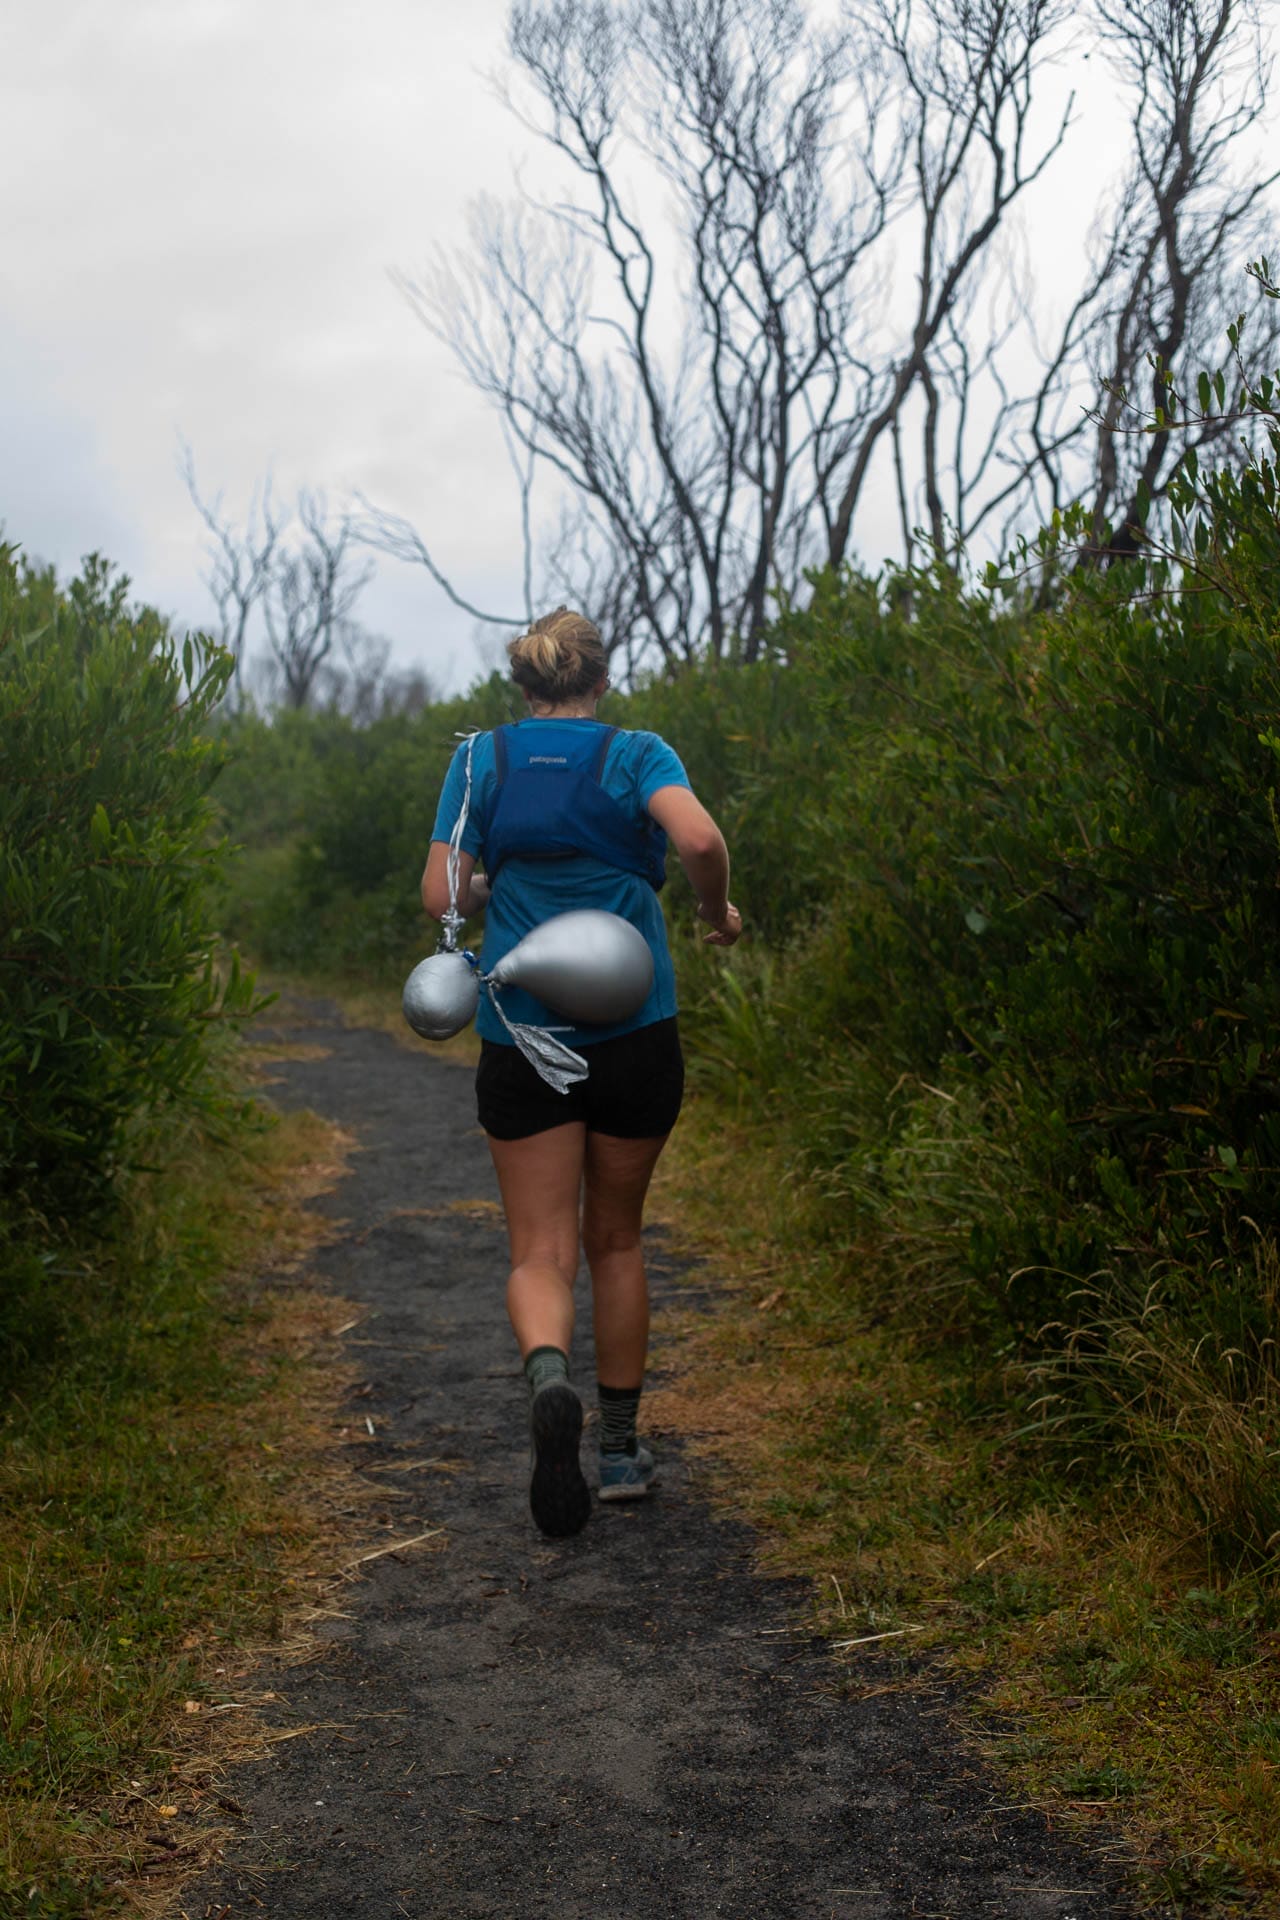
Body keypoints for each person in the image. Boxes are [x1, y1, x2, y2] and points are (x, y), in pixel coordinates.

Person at [422, 607, 742, 1539]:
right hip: (637, 1031)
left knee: (539, 1252)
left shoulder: (484, 759)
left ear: (525, 688)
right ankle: (617, 1453)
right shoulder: (637, 752)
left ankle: (549, 1379)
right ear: (601, 682)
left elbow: (443, 894)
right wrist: (716, 913)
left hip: (522, 1033)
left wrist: (489, 888)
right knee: (616, 1242)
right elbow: (699, 843)